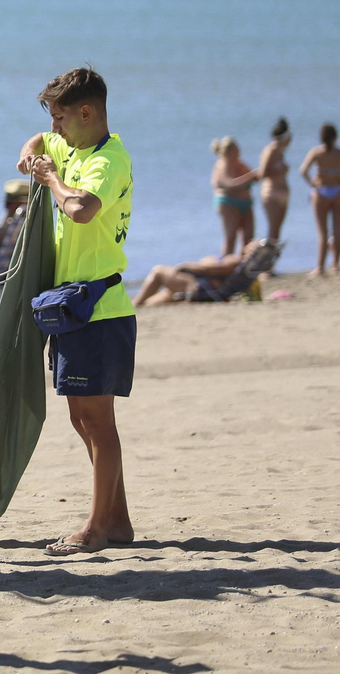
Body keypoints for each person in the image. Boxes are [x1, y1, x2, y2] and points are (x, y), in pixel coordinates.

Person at [15, 66, 135, 557]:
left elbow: (82, 208)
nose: (56, 127)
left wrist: (51, 182)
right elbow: (39, 139)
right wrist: (31, 155)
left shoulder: (109, 158)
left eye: (62, 117)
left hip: (101, 308)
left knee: (98, 423)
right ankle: (119, 520)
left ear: (87, 112)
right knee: (80, 420)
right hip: (70, 309)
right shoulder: (69, 144)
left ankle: (96, 528)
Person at [134, 239, 269, 306]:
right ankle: (143, 305)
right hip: (204, 286)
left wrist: (188, 266)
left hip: (201, 287)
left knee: (158, 271)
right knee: (163, 296)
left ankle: (135, 304)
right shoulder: (245, 267)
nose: (247, 244)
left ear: (251, 252)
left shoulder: (237, 261)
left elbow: (212, 270)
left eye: (252, 245)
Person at [299, 122, 340, 276]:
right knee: (337, 230)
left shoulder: (316, 152)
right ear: (335, 137)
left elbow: (303, 170)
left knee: (322, 232)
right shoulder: (338, 153)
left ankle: (320, 267)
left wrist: (313, 186)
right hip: (337, 191)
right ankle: (335, 264)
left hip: (321, 192)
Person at [209, 136, 258, 256]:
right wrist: (249, 177)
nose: (238, 152)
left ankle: (244, 266)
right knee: (231, 237)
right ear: (229, 151)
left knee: (248, 237)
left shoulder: (239, 163)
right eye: (236, 150)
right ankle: (226, 264)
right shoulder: (221, 165)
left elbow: (255, 177)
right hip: (228, 203)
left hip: (245, 203)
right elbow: (229, 184)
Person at [258, 118, 293, 244]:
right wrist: (281, 170)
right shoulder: (271, 150)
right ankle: (267, 258)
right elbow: (263, 173)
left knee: (277, 231)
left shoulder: (280, 151)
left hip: (282, 192)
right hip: (272, 193)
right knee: (273, 230)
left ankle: (271, 260)